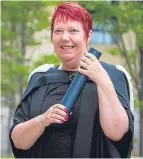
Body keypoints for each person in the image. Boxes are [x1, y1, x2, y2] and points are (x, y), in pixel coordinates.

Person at [9, 2, 134, 158]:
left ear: (88, 36)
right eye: (58, 31)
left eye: (73, 31)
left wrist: (102, 80)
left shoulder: (113, 75)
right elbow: (18, 141)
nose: (65, 37)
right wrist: (42, 120)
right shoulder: (40, 78)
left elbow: (116, 133)